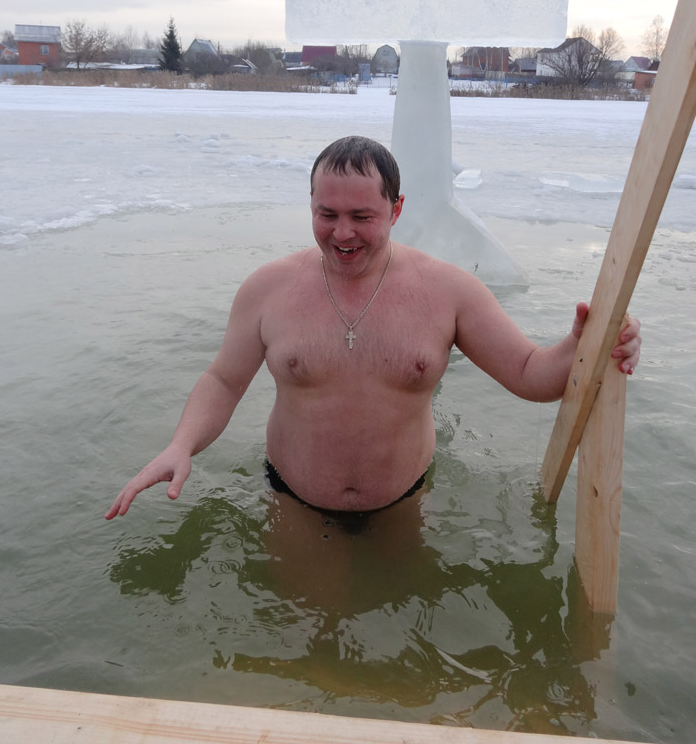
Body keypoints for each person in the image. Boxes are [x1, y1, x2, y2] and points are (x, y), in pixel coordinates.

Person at [106, 136, 641, 519]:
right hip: (294, 497)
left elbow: (529, 374)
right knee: (306, 631)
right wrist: (181, 445)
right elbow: (224, 381)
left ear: (396, 209)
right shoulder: (267, 289)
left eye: (362, 217)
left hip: (404, 498)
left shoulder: (449, 291)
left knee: (400, 632)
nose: (342, 234)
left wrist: (588, 344)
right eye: (326, 214)